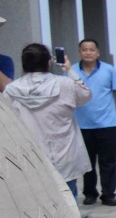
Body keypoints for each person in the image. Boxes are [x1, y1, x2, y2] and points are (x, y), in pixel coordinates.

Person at [3, 43, 91, 198]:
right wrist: (69, 69)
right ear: (48, 62)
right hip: (65, 153)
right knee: (69, 199)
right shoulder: (64, 84)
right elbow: (86, 95)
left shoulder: (12, 89)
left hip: (32, 156)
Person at [72, 38, 116, 207]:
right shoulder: (72, 71)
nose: (88, 52)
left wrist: (109, 108)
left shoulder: (109, 70)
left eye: (91, 49)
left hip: (106, 123)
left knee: (107, 161)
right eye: (84, 49)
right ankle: (90, 193)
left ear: (98, 52)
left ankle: (108, 194)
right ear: (80, 52)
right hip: (82, 123)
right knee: (87, 162)